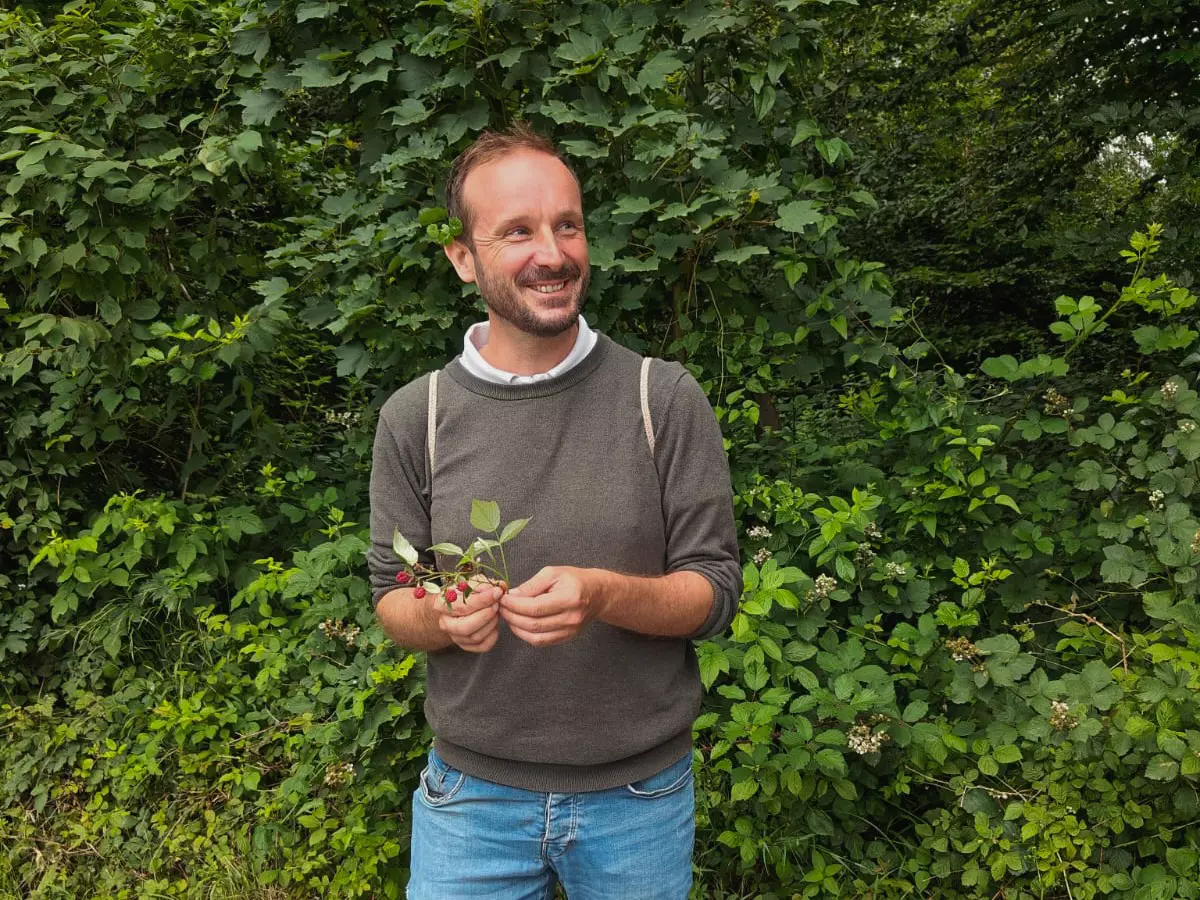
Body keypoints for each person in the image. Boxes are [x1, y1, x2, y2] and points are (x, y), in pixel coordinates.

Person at [367, 122, 742, 899]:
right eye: (518, 231)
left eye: (567, 225)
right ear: (463, 259)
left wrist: (604, 594)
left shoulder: (660, 399)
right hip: (471, 802)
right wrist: (442, 619)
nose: (553, 252)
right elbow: (390, 599)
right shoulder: (418, 415)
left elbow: (713, 594)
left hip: (639, 799)